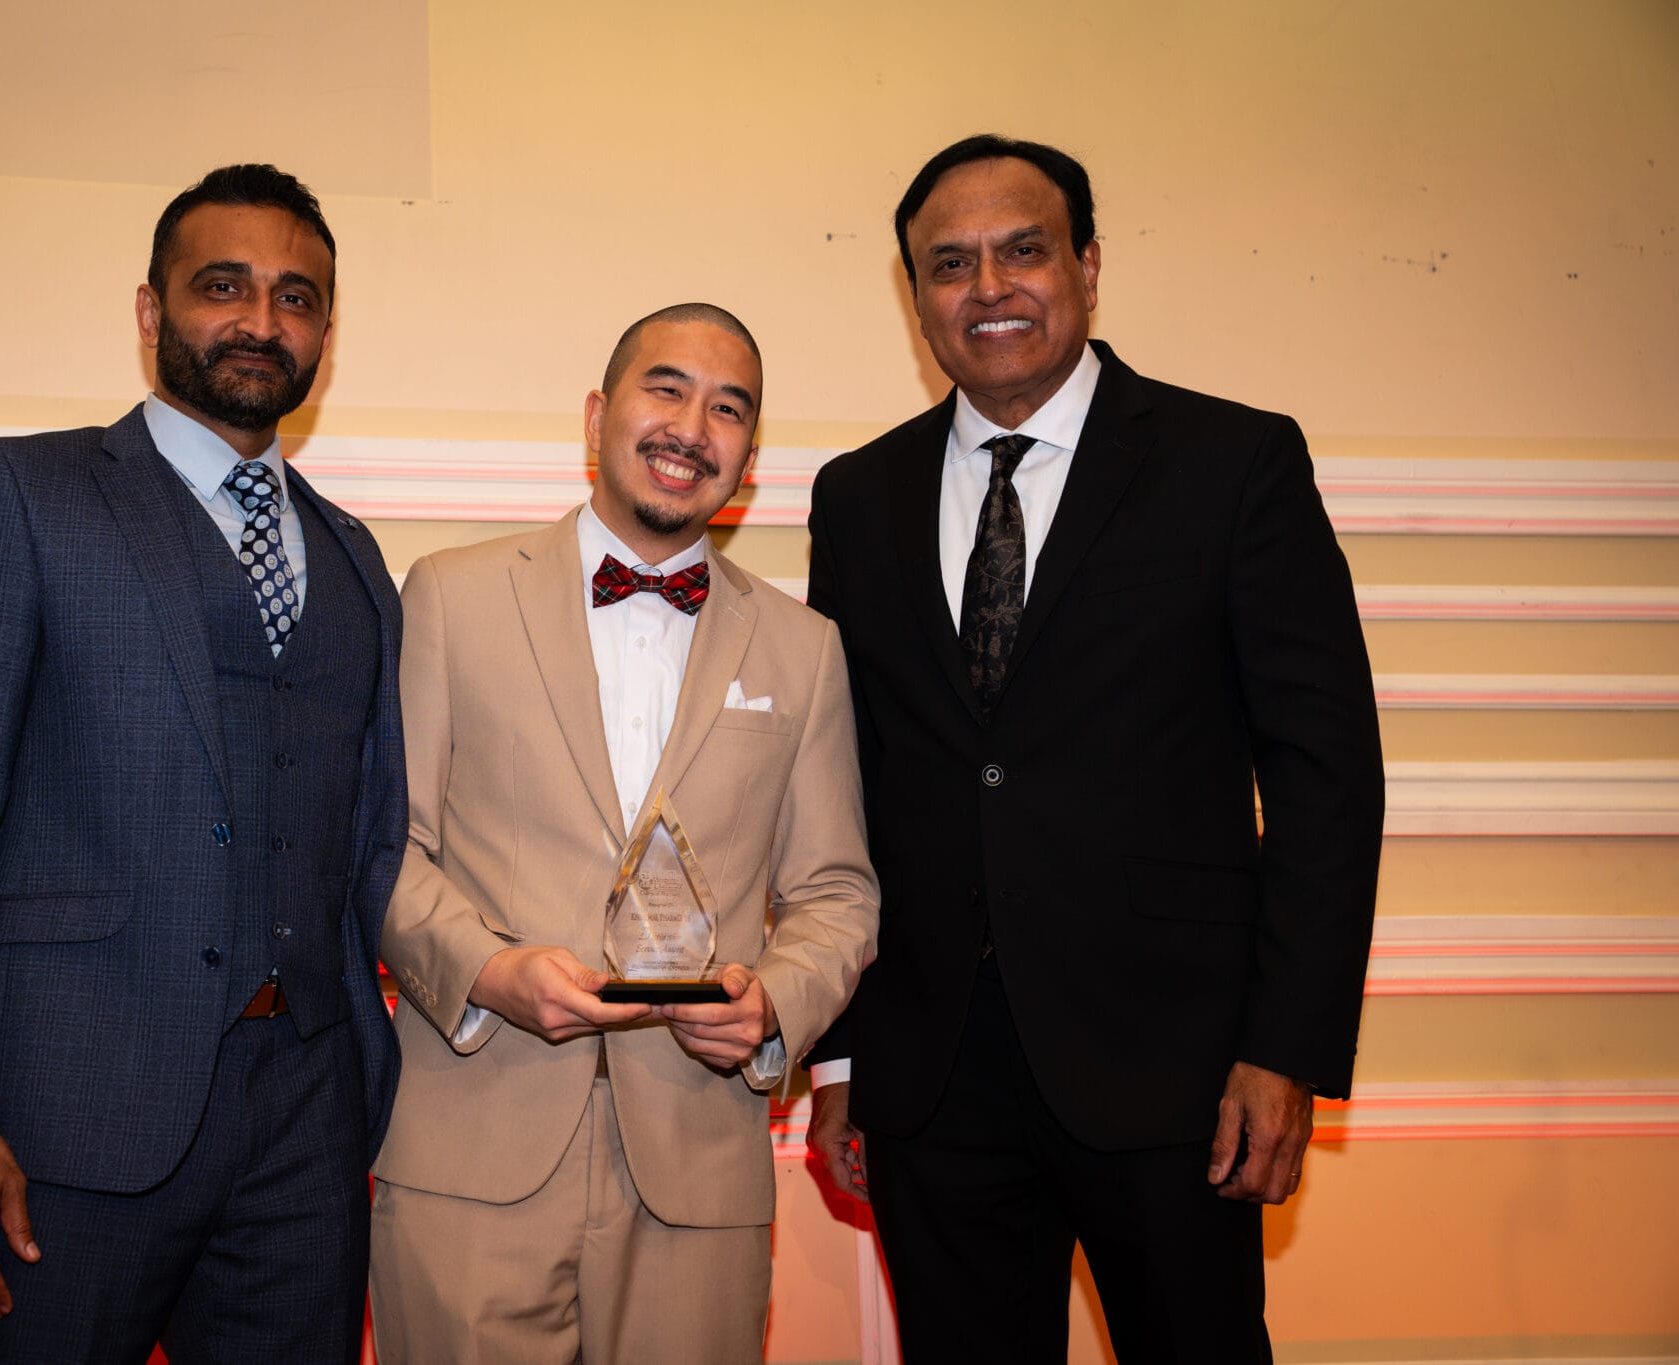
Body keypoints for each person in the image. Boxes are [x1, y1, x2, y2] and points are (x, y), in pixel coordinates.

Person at [803, 134, 1385, 1361]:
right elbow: (840, 788)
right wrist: (842, 1054)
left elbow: (1324, 777)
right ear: (915, 299)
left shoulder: (1232, 465)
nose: (988, 287)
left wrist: (1282, 1050)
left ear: (1086, 264)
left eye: (1022, 250)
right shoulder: (857, 497)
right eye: (948, 264)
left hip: (1178, 1076)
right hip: (930, 1076)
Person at [0, 163, 404, 1362]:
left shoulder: (357, 557)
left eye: (297, 296)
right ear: (152, 311)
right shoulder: (18, 492)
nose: (262, 322)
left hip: (308, 1131)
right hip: (64, 1126)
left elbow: (366, 844)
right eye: (224, 286)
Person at [369, 303, 879, 1364]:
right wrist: (489, 971)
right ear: (598, 415)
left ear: (746, 456)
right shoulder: (449, 597)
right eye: (665, 389)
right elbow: (385, 848)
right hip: (471, 1143)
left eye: (727, 408)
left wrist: (775, 1004)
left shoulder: (805, 648)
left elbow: (836, 892)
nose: (691, 425)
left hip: (698, 1161)